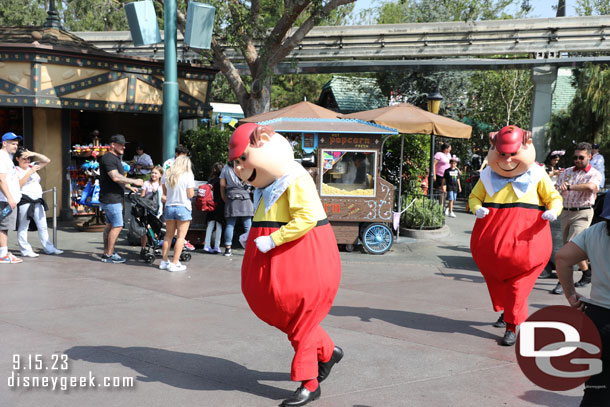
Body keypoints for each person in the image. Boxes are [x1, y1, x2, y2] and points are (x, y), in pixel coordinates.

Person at [229, 123, 342, 407]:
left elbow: (305, 218)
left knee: (301, 320)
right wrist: (252, 234)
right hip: (277, 262)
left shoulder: (295, 179)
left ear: (265, 141)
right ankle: (327, 352)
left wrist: (273, 239)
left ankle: (309, 382)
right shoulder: (268, 188)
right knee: (292, 319)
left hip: (304, 261)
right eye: (235, 163)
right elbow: (267, 217)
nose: (239, 168)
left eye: (242, 159)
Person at [469, 125, 562, 346]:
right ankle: (506, 311)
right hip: (493, 252)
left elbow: (554, 198)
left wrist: (553, 211)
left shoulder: (538, 175)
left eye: (513, 154)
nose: (508, 160)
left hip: (527, 248)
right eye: (502, 154)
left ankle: (512, 325)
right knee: (498, 283)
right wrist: (476, 208)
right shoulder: (487, 176)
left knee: (517, 288)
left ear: (527, 146)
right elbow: (474, 197)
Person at [555, 195, 610, 406]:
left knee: (596, 389)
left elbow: (562, 258)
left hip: (598, 320)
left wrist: (571, 294)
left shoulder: (596, 232)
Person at [551, 142, 603, 294]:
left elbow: (591, 187)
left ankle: (562, 282)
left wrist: (568, 187)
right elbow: (557, 188)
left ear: (589, 156)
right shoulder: (567, 172)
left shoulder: (594, 173)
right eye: (575, 157)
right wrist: (558, 189)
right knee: (574, 247)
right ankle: (587, 273)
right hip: (566, 212)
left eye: (581, 157)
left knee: (569, 247)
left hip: (583, 212)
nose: (578, 160)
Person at [99, 134, 143, 263]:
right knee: (117, 226)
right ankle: (109, 254)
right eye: (121, 144)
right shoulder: (108, 158)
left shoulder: (115, 158)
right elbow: (115, 177)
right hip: (111, 198)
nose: (124, 146)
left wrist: (128, 187)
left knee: (110, 225)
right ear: (113, 145)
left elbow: (117, 179)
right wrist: (134, 181)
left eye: (124, 144)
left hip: (111, 197)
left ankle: (107, 252)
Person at [14, 147, 63, 257]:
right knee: (23, 226)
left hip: (38, 199)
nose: (27, 161)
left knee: (43, 225)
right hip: (25, 200)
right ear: (17, 159)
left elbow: (47, 160)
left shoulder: (32, 165)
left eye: (28, 158)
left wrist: (33, 153)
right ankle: (25, 250)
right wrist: (29, 172)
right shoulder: (15, 170)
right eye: (24, 158)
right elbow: (19, 185)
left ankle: (49, 248)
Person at [160, 155, 195, 272]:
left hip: (169, 206)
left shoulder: (167, 175)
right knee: (180, 237)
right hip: (183, 207)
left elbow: (164, 193)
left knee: (168, 235)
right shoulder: (188, 175)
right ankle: (175, 263)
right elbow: (190, 194)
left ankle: (164, 261)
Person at [219, 162, 253, 257]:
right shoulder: (246, 165)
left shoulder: (226, 167)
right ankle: (249, 248)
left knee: (230, 225)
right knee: (247, 224)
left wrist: (223, 196)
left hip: (231, 197)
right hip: (246, 196)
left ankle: (228, 249)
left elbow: (222, 184)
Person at [0, 132, 23, 264]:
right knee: (3, 226)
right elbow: (1, 179)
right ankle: (3, 254)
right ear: (4, 143)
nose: (16, 146)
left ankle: (3, 252)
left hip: (8, 199)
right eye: (13, 144)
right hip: (5, 200)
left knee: (4, 226)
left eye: (17, 144)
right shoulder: (2, 157)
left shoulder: (8, 157)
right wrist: (9, 197)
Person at [138, 165, 163, 258]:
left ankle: (155, 248)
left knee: (156, 228)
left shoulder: (161, 185)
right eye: (152, 172)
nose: (153, 175)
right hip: (147, 210)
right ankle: (143, 248)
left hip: (158, 210)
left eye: (156, 173)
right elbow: (142, 196)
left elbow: (163, 198)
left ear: (160, 175)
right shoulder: (146, 183)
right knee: (146, 229)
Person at [203, 162, 225, 254]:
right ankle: (216, 245)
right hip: (220, 204)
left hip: (210, 204)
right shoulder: (222, 180)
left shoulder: (210, 180)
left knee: (210, 224)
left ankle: (207, 245)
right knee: (219, 225)